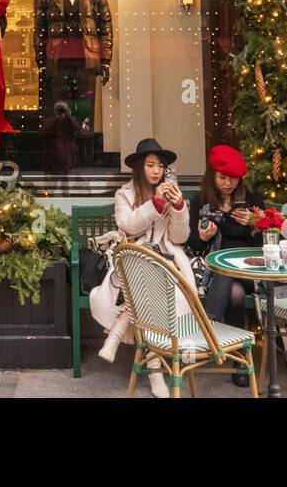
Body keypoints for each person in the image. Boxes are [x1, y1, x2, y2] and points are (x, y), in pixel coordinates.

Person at [90, 138, 191, 398]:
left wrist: (179, 208)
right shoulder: (124, 194)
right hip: (132, 258)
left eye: (160, 166)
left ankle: (119, 333)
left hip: (165, 259)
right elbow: (128, 226)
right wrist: (155, 205)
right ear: (139, 167)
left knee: (155, 287)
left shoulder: (173, 193)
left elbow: (180, 238)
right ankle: (156, 368)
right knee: (143, 283)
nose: (156, 171)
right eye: (150, 165)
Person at [186, 144, 264, 385]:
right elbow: (194, 247)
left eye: (233, 179)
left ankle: (210, 330)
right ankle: (240, 358)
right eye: (222, 178)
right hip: (216, 274)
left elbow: (266, 242)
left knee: (233, 278)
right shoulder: (201, 203)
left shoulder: (252, 200)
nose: (228, 184)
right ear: (212, 176)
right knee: (235, 292)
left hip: (251, 270)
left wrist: (255, 223)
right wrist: (203, 238)